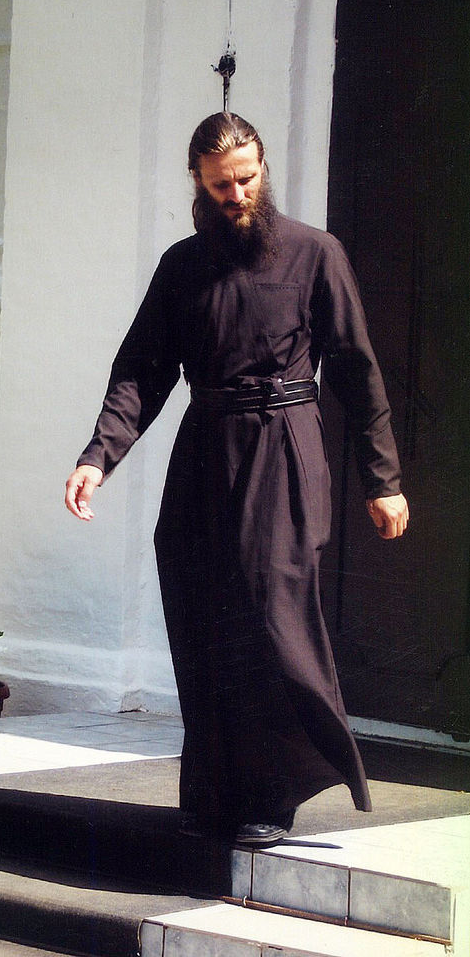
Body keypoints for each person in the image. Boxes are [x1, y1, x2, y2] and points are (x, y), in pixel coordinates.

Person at [65, 111, 408, 848]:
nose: (237, 195)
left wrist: (382, 478)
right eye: (221, 184)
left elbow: (356, 370)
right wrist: (98, 455)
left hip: (284, 446)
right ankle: (214, 792)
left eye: (246, 179)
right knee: (201, 615)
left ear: (263, 170)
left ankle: (271, 792)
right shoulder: (182, 267)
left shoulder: (316, 254)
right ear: (197, 182)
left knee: (270, 616)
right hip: (205, 450)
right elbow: (142, 370)